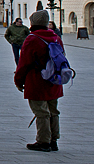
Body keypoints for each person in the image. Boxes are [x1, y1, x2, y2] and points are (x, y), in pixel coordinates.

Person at [15, 10, 63, 152]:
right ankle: (54, 140)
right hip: (54, 80)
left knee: (41, 111)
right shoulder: (55, 37)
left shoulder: (32, 39)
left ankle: (43, 141)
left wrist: (18, 80)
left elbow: (24, 63)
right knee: (53, 110)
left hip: (37, 80)